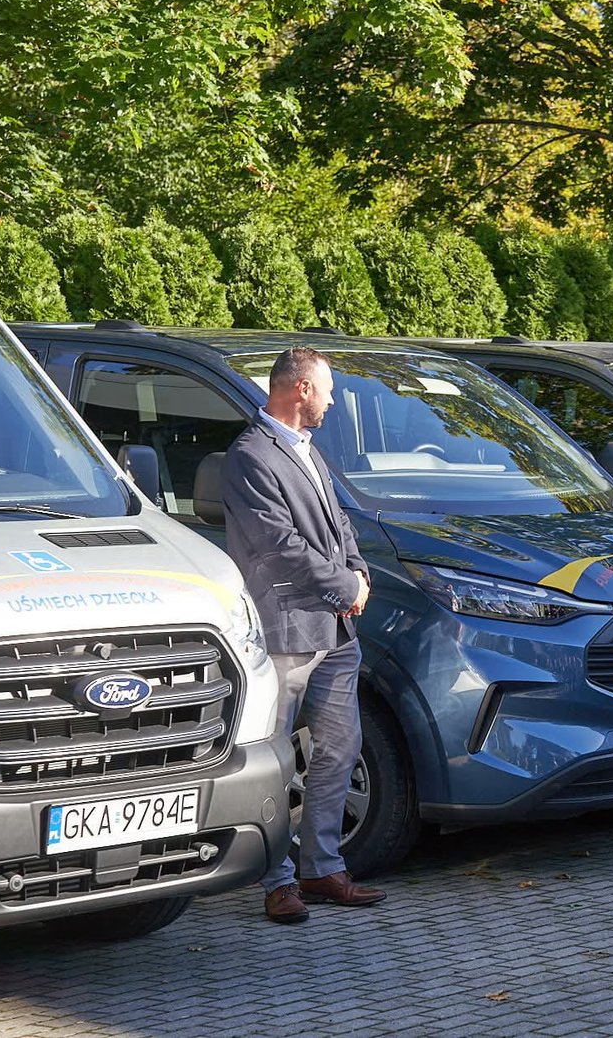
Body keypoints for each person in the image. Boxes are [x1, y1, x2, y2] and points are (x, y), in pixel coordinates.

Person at [222, 347, 384, 923]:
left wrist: (359, 574)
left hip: (336, 630)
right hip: (286, 631)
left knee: (340, 749)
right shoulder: (250, 455)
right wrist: (345, 585)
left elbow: (339, 526)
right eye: (329, 390)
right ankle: (277, 881)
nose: (334, 401)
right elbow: (278, 546)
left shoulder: (307, 448)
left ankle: (321, 868)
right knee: (275, 759)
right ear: (301, 390)